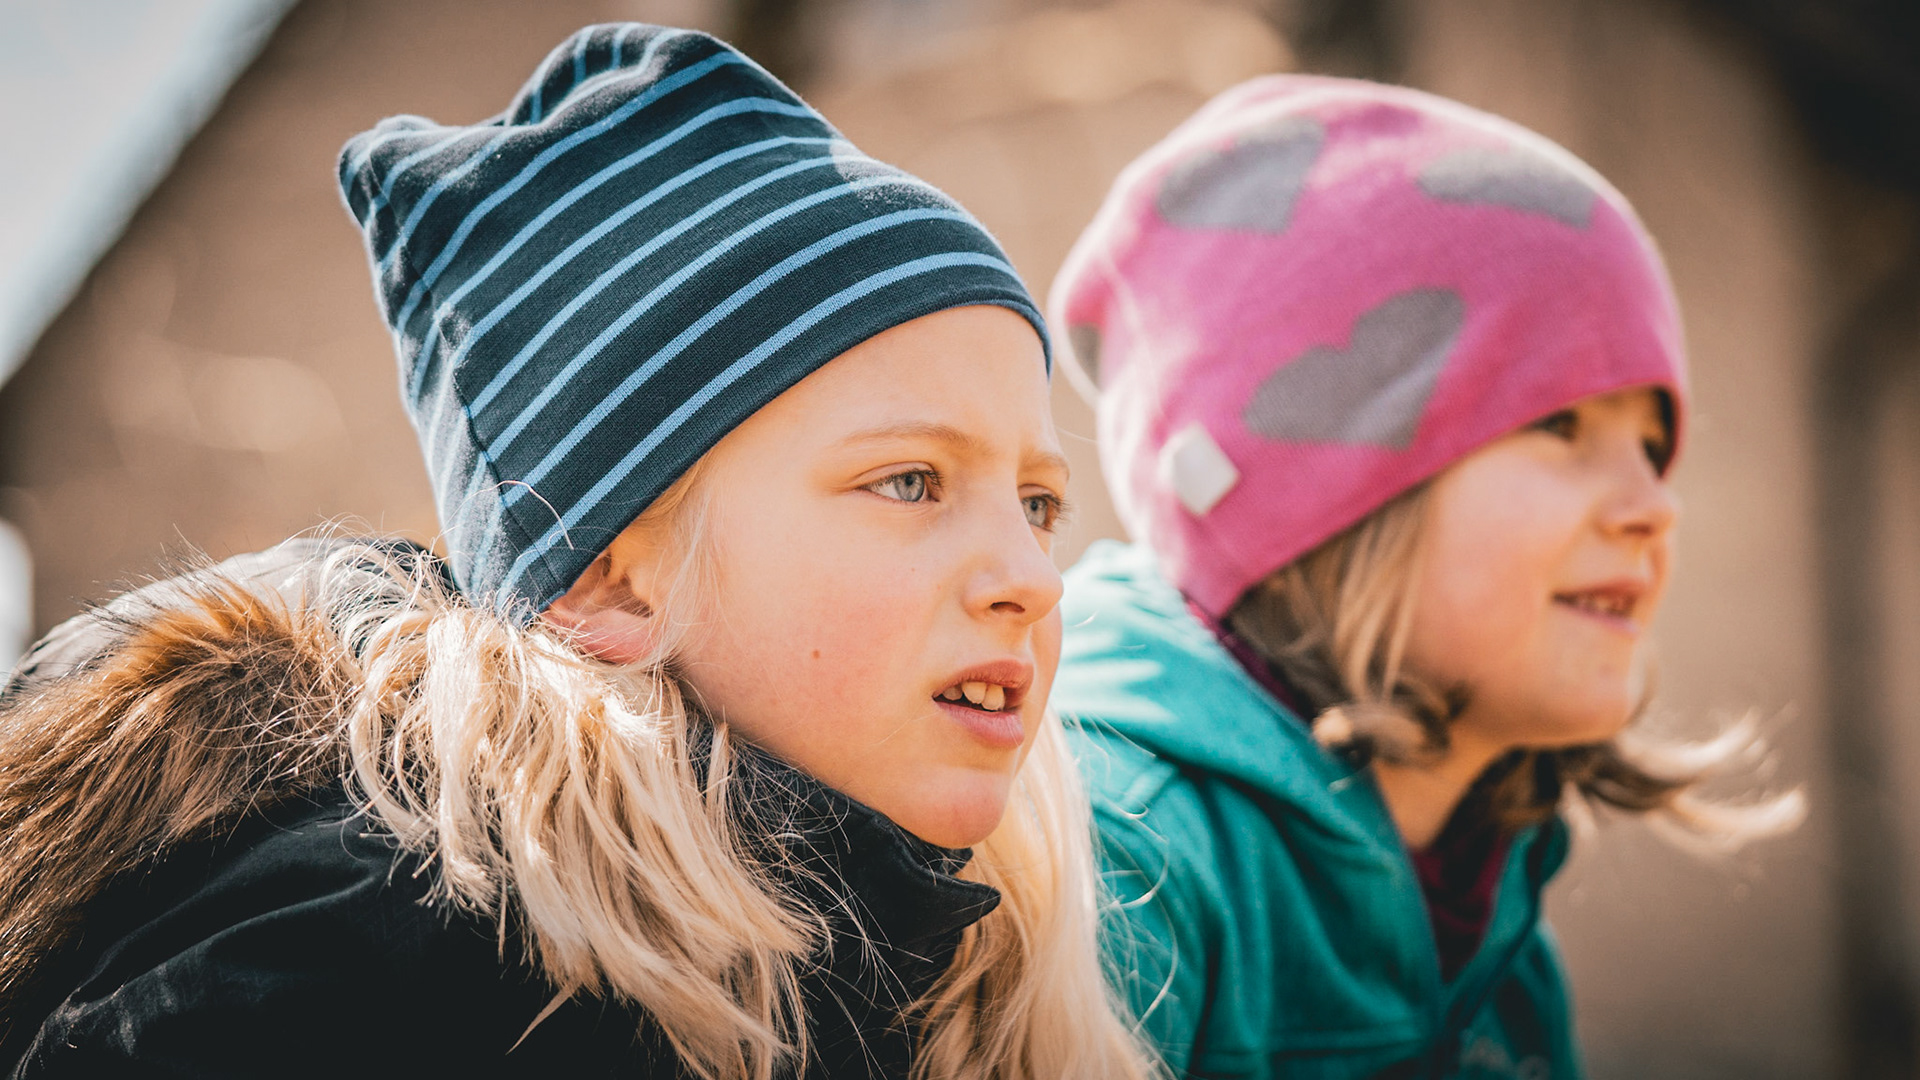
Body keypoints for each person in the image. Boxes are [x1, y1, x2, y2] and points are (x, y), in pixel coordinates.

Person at [0, 25, 1159, 1080]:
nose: (1032, 578)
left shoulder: (943, 974)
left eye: (1038, 503)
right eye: (909, 482)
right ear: (612, 577)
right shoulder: (379, 976)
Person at [1047, 76, 1802, 1079]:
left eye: (1653, 445)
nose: (1655, 505)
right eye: (1559, 423)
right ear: (1325, 498)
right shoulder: (1116, 878)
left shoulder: (1495, 919)